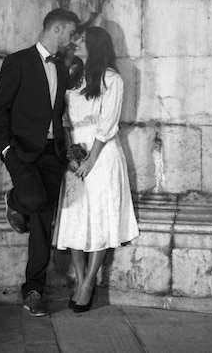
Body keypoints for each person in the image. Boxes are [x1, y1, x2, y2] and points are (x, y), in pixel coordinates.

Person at [0, 7, 80, 317]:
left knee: (42, 226)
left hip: (52, 155)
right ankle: (14, 201)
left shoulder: (62, 66)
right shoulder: (17, 62)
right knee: (32, 198)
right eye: (69, 34)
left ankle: (33, 290)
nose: (71, 40)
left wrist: (67, 150)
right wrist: (5, 151)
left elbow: (62, 111)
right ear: (56, 29)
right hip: (22, 153)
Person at [53, 26, 139, 313]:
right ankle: (79, 277)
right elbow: (64, 120)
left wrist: (91, 160)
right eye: (75, 38)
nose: (75, 42)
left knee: (100, 216)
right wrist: (70, 154)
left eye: (81, 39)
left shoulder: (112, 80)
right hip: (76, 152)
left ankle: (90, 282)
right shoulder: (73, 76)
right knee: (74, 216)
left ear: (95, 45)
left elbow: (108, 124)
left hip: (102, 155)